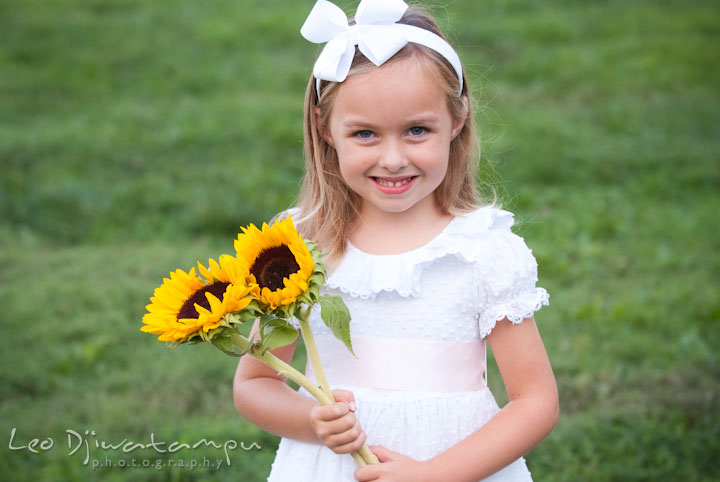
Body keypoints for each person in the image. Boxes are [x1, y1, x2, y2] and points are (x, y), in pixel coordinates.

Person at [233, 1, 559, 480]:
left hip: (456, 466)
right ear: (326, 128)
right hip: (332, 467)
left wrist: (434, 474)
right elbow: (255, 383)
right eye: (365, 133)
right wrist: (312, 420)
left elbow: (535, 401)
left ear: (457, 119)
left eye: (416, 131)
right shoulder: (298, 247)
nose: (392, 158)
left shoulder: (480, 249)